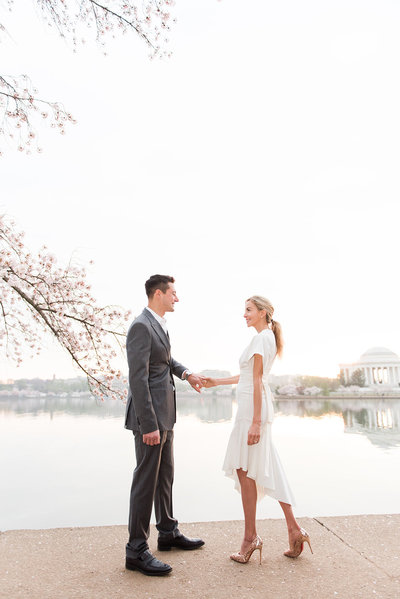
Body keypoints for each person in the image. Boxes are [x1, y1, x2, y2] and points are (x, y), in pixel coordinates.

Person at [203, 296, 312, 563]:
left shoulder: (262, 338)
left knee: (245, 469)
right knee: (262, 467)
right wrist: (216, 382)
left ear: (263, 313)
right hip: (251, 411)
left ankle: (251, 538)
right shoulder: (263, 338)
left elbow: (257, 379)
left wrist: (254, 422)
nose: (245, 315)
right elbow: (248, 375)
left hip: (252, 413)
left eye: (249, 310)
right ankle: (294, 530)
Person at [124, 274, 205, 576]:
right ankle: (136, 550)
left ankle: (168, 532)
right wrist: (148, 425)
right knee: (145, 481)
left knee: (165, 476)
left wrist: (187, 374)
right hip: (150, 419)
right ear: (158, 294)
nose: (177, 298)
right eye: (173, 292)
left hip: (165, 415)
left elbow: (165, 361)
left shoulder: (158, 325)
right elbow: (138, 379)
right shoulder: (141, 326)